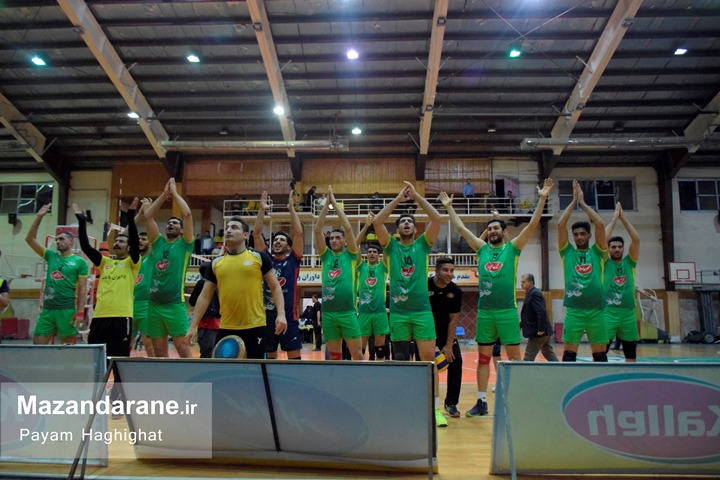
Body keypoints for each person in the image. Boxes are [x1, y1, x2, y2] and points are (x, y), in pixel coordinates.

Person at [439, 178, 553, 417]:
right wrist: (449, 207)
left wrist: (542, 198)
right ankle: (481, 402)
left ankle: (516, 400)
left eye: (496, 228)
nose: (492, 231)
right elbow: (461, 228)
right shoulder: (481, 249)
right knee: (484, 358)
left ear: (503, 231)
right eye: (489, 228)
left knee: (514, 358)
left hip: (507, 312)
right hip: (485, 312)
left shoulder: (513, 248)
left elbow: (533, 224)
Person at [373, 181, 446, 427]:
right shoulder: (391, 246)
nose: (406, 223)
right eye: (402, 221)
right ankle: (404, 406)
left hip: (422, 311)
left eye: (410, 222)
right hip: (399, 313)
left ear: (415, 229)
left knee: (429, 361)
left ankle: (435, 408)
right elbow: (377, 222)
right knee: (402, 361)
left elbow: (437, 219)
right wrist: (398, 199)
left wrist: (416, 196)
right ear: (397, 229)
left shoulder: (422, 245)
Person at [186, 217, 287, 358]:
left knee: (255, 370)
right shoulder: (216, 263)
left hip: (255, 326)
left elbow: (275, 287)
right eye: (227, 228)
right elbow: (204, 296)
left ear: (245, 235)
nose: (228, 230)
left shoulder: (259, 257)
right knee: (227, 370)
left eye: (234, 228)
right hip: (226, 327)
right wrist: (192, 326)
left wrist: (281, 314)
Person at [72, 200, 140, 406]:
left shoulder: (132, 263)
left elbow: (135, 239)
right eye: (116, 241)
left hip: (121, 318)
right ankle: (95, 397)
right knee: (96, 360)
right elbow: (85, 246)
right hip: (100, 318)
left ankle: (118, 400)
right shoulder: (105, 262)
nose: (117, 243)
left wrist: (131, 215)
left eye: (122, 241)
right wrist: (81, 221)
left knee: (119, 363)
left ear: (129, 247)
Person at [142, 178, 194, 358]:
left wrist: (176, 194)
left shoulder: (185, 244)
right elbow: (148, 216)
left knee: (182, 348)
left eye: (175, 223)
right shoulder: (157, 243)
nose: (171, 224)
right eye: (169, 223)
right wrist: (164, 195)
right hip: (154, 304)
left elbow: (187, 214)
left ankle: (192, 376)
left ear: (182, 230)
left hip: (174, 304)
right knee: (159, 351)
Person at [557, 179, 608, 362]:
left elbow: (600, 225)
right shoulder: (567, 252)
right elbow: (560, 225)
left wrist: (583, 203)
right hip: (574, 310)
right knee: (569, 355)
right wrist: (573, 202)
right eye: (576, 234)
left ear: (589, 235)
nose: (579, 237)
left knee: (600, 355)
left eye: (582, 234)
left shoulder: (598, 251)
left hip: (596, 310)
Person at [25, 203, 88, 345]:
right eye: (57, 239)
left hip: (67, 309)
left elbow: (83, 288)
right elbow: (30, 239)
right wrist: (39, 217)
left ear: (71, 242)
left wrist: (80, 312)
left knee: (67, 350)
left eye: (61, 239)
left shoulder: (79, 261)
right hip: (48, 309)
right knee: (37, 347)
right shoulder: (51, 256)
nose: (58, 242)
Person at [254, 190, 304, 360]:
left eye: (282, 240)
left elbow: (298, 233)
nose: (277, 242)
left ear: (289, 246)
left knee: (295, 359)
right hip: (267, 318)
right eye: (276, 239)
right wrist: (261, 210)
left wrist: (291, 209)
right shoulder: (266, 260)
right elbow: (256, 234)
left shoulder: (293, 261)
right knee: (270, 359)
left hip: (288, 317)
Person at [315, 186, 363, 360]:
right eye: (332, 238)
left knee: (357, 354)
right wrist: (325, 207)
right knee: (334, 357)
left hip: (348, 312)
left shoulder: (350, 255)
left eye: (338, 238)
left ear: (344, 241)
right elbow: (317, 230)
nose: (334, 240)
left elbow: (348, 228)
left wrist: (334, 205)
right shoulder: (326, 256)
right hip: (328, 313)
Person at [604, 202, 641, 362]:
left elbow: (636, 239)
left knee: (631, 355)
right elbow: (602, 239)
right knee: (600, 354)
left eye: (619, 247)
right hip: (608, 312)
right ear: (608, 249)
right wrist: (614, 220)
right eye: (613, 247)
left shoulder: (630, 262)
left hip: (628, 313)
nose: (617, 249)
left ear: (623, 248)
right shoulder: (604, 263)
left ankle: (631, 376)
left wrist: (623, 219)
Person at [428, 257, 464, 418]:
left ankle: (451, 403)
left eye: (451, 270)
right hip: (426, 334)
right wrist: (432, 344)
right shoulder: (425, 286)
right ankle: (427, 401)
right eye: (445, 270)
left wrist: (448, 346)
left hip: (446, 334)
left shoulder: (455, 291)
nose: (449, 274)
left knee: (456, 362)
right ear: (436, 270)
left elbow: (453, 320)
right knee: (425, 367)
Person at [355, 214, 390, 360]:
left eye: (374, 252)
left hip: (380, 312)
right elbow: (354, 245)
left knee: (380, 350)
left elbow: (387, 244)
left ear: (379, 255)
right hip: (364, 312)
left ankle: (380, 372)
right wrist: (365, 226)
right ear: (366, 254)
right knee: (360, 350)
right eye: (369, 252)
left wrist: (378, 224)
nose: (371, 254)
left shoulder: (383, 267)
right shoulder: (361, 266)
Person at [520, 273, 558, 362]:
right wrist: (521, 325)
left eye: (524, 282)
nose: (521, 284)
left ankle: (524, 370)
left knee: (529, 355)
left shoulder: (534, 294)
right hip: (542, 332)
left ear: (531, 283)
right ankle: (560, 368)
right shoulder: (530, 293)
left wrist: (541, 329)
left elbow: (541, 312)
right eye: (521, 282)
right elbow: (529, 314)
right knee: (548, 353)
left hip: (538, 332)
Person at [188, 262, 221, 358]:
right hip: (216, 323)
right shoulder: (215, 284)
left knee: (207, 352)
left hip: (206, 324)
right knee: (215, 352)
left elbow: (192, 301)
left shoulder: (201, 284)